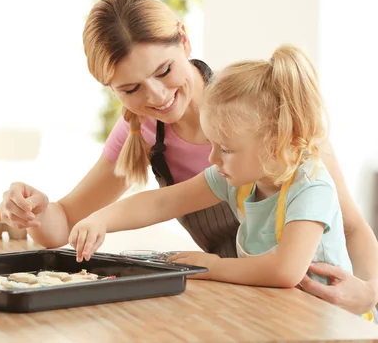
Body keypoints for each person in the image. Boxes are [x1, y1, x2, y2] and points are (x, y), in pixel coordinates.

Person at [0, 0, 378, 316]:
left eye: (164, 71)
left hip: (312, 307)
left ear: (184, 39)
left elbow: (351, 229)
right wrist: (37, 209)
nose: (157, 97)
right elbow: (132, 208)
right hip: (245, 302)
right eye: (131, 89)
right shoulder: (145, 133)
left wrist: (372, 293)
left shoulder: (269, 115)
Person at [67, 44, 372, 319]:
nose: (212, 158)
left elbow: (285, 270)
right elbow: (163, 201)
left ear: (275, 141)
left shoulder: (310, 186)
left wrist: (209, 265)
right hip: (283, 315)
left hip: (331, 324)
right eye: (212, 144)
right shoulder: (239, 179)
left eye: (225, 149)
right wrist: (101, 219)